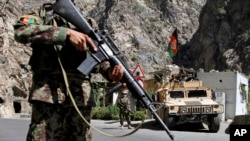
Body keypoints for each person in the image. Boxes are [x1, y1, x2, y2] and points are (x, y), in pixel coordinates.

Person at [13, 0, 124, 141]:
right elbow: (21, 31)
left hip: (79, 100)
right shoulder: (42, 14)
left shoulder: (88, 23)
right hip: (48, 98)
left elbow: (99, 60)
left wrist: (110, 72)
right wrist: (65, 34)